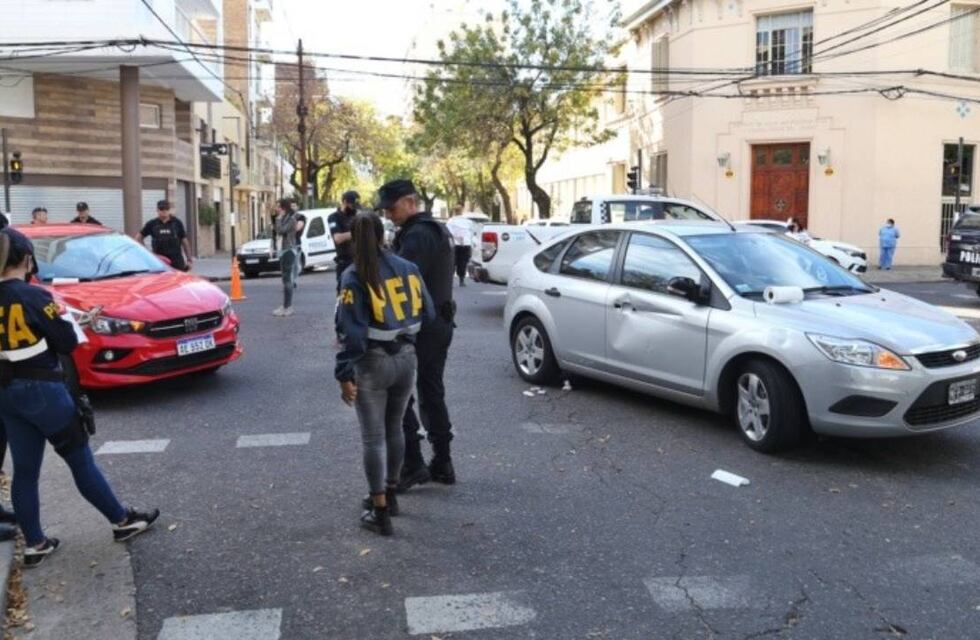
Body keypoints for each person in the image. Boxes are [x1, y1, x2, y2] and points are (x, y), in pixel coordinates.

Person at [0, 227, 159, 567]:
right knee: (79, 459)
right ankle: (122, 521)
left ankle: (35, 544)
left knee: (25, 471)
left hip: (6, 394)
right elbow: (68, 343)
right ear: (27, 258)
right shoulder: (35, 296)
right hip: (43, 390)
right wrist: (75, 323)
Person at [336, 212, 433, 536]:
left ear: (353, 237)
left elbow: (351, 332)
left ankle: (379, 511)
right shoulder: (408, 268)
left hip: (372, 363)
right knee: (396, 430)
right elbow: (429, 313)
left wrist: (343, 372)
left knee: (373, 437)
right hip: (407, 359)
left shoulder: (354, 275)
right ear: (383, 235)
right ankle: (390, 495)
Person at [378, 179, 457, 490]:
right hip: (439, 322)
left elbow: (400, 280)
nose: (389, 214)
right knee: (430, 390)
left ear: (411, 202)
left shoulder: (420, 234)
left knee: (397, 393)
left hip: (420, 327)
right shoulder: (434, 230)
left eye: (392, 207)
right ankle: (442, 462)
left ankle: (413, 464)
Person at [136, 201, 193, 271]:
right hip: (159, 261)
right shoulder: (152, 224)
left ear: (169, 209)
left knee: (178, 281)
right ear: (157, 210)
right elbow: (138, 238)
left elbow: (185, 242)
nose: (164, 211)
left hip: (176, 261)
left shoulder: (177, 223)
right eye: (162, 209)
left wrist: (189, 260)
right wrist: (148, 254)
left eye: (167, 208)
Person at [273, 198, 301, 317]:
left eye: (278, 206)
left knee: (287, 279)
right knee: (284, 279)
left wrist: (278, 220)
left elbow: (280, 231)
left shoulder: (291, 219)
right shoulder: (285, 218)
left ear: (283, 208)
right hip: (283, 250)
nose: (277, 209)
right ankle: (285, 305)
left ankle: (288, 307)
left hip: (289, 250)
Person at [328, 191, 360, 296]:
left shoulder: (356, 216)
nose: (354, 208)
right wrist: (358, 232)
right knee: (343, 295)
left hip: (359, 261)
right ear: (345, 202)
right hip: (344, 262)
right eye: (352, 205)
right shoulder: (334, 217)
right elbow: (337, 238)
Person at [447, 206, 473, 287]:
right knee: (463, 262)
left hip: (455, 244)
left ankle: (450, 281)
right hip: (466, 244)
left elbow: (448, 233)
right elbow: (471, 233)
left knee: (452, 262)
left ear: (454, 211)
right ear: (462, 211)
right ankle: (461, 280)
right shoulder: (468, 222)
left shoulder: (451, 221)